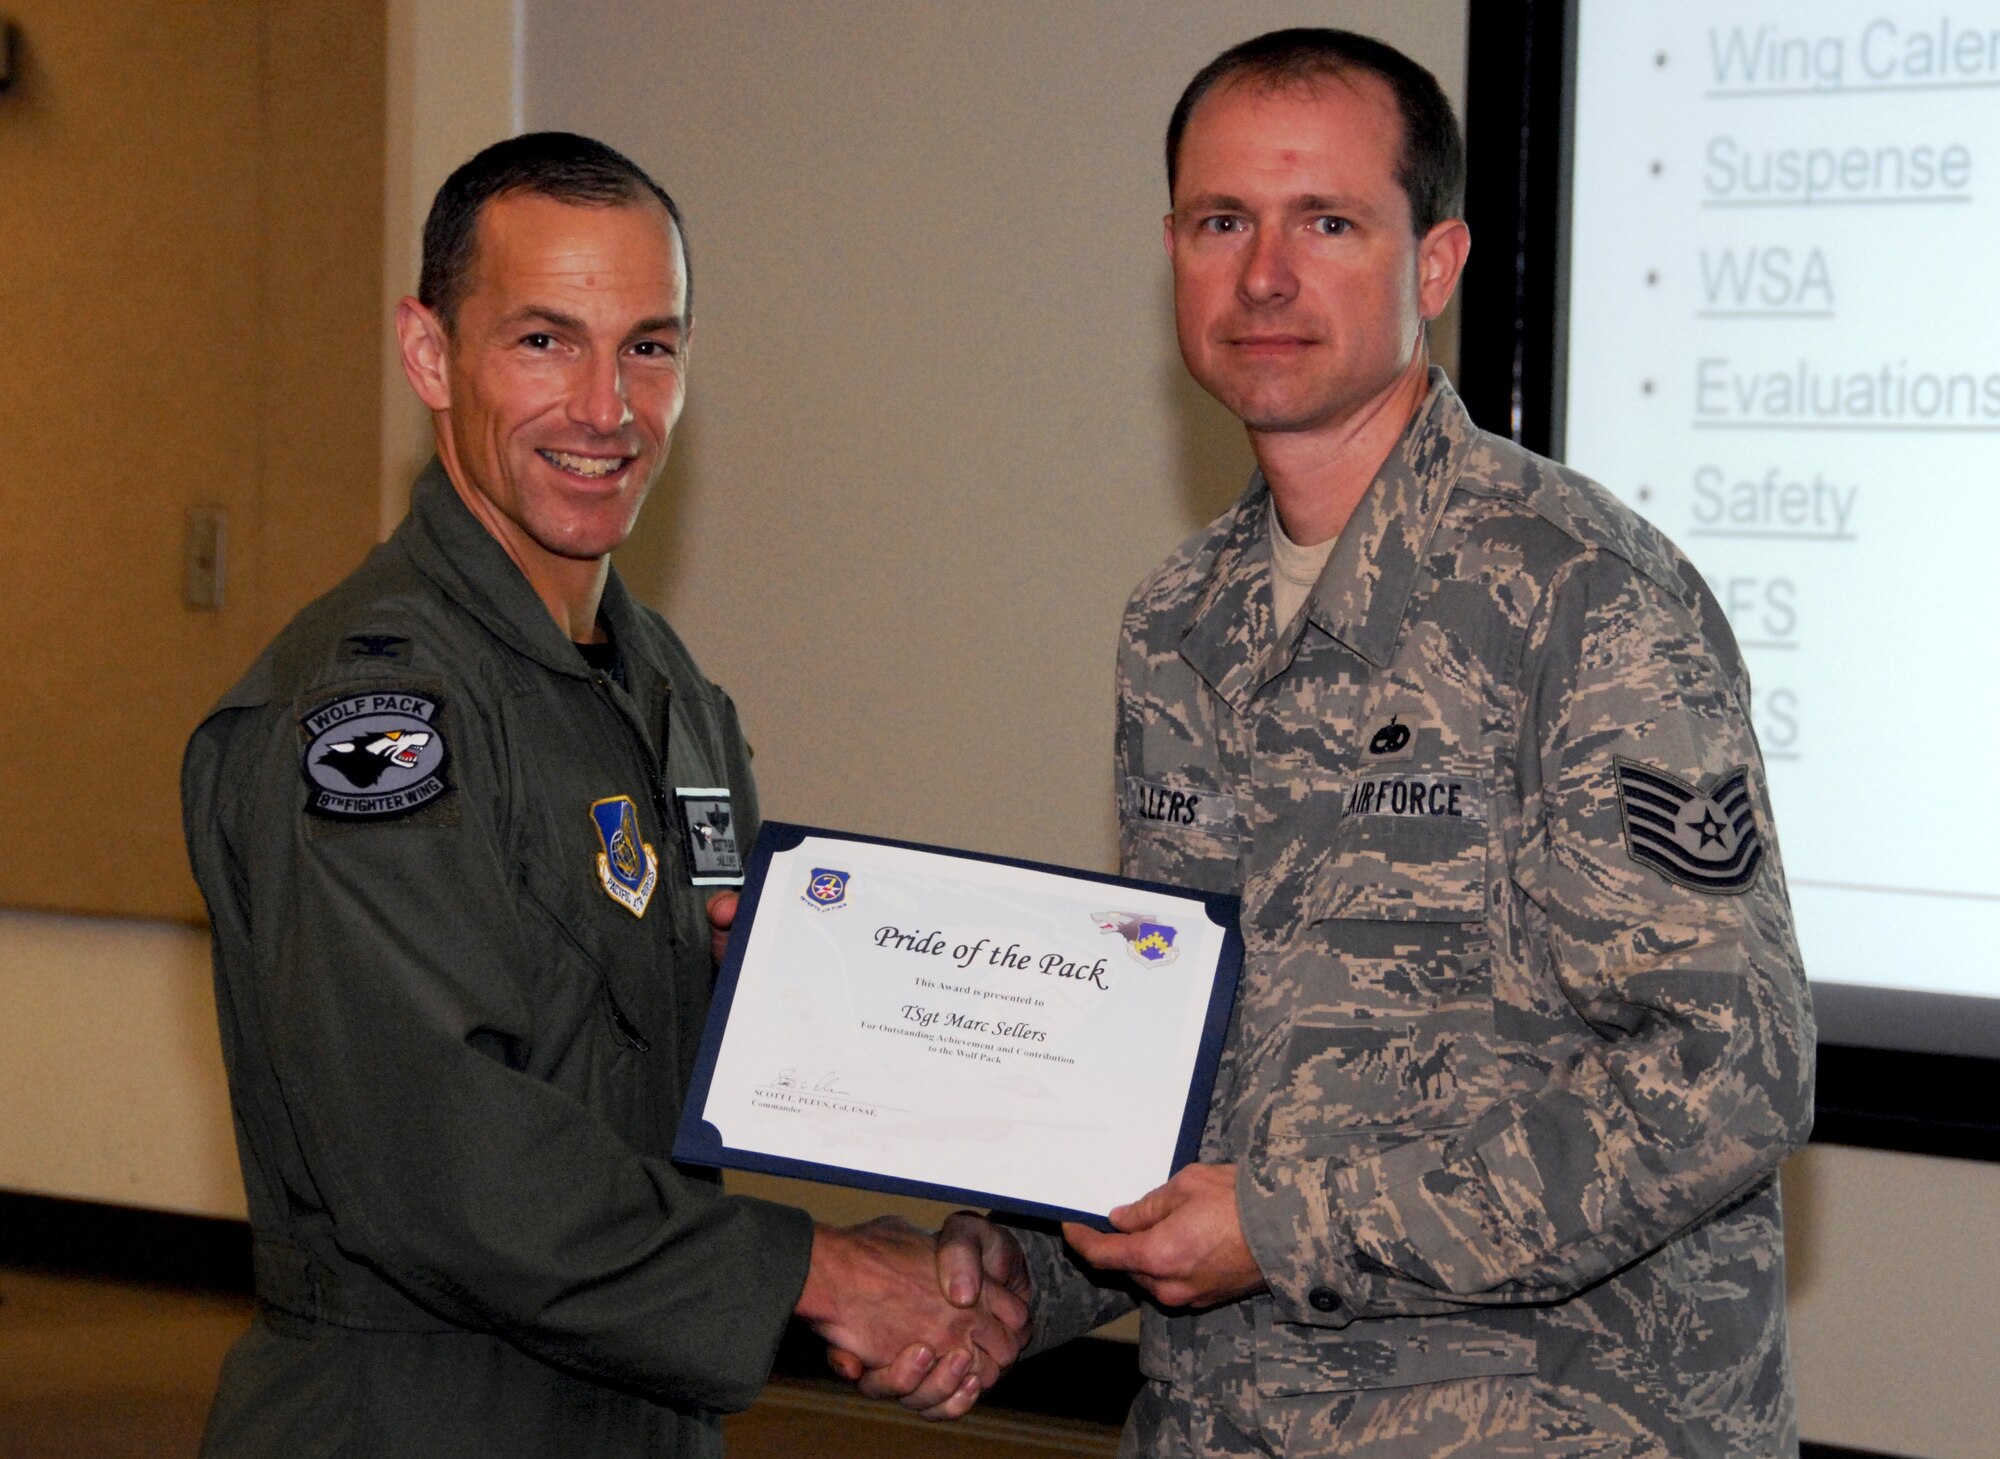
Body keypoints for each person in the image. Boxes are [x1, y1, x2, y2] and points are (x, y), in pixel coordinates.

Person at [903, 28, 1815, 1457]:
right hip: (1221, 1423)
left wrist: (1285, 1223)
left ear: (1435, 265)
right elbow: (1193, 1054)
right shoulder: (1179, 622)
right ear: (1174, 254)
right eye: (1222, 223)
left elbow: (1728, 1073)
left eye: (1327, 222)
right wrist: (1031, 1268)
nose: (1264, 274)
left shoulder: (1583, 595)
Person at [181, 132, 1025, 1459]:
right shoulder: (373, 722)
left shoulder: (668, 693)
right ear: (428, 355)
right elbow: (438, 1162)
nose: (605, 407)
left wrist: (1011, 1203)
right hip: (420, 1418)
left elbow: (709, 1022)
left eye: (650, 346)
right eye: (543, 342)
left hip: (634, 1407)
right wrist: (822, 1273)